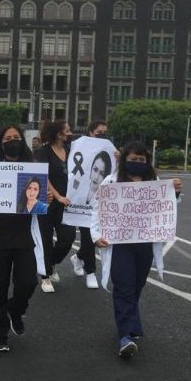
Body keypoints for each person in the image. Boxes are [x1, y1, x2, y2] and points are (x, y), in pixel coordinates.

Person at [91, 141, 182, 359]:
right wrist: (96, 236)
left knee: (136, 286)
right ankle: (125, 336)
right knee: (124, 287)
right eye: (133, 160)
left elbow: (168, 207)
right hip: (119, 245)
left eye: (141, 160)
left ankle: (131, 321)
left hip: (144, 245)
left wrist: (175, 193)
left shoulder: (154, 181)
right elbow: (96, 210)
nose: (137, 163)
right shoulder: (111, 181)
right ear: (124, 160)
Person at [0, 125, 49, 353]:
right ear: (0, 142)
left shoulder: (33, 168)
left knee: (28, 282)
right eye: (7, 138)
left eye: (16, 137)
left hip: (25, 236)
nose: (12, 140)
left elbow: (39, 201)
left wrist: (47, 199)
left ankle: (15, 310)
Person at [33, 120, 75, 293]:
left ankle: (51, 263)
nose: (71, 133)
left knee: (68, 237)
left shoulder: (72, 149)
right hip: (48, 201)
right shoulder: (42, 152)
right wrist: (58, 196)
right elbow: (42, 176)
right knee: (45, 239)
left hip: (68, 203)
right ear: (59, 134)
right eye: (68, 130)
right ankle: (45, 276)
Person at [70, 120, 112, 290]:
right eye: (99, 132)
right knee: (88, 239)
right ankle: (91, 272)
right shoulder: (78, 147)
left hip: (99, 206)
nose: (96, 176)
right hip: (79, 205)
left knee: (91, 240)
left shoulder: (110, 149)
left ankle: (78, 258)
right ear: (90, 132)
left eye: (105, 133)